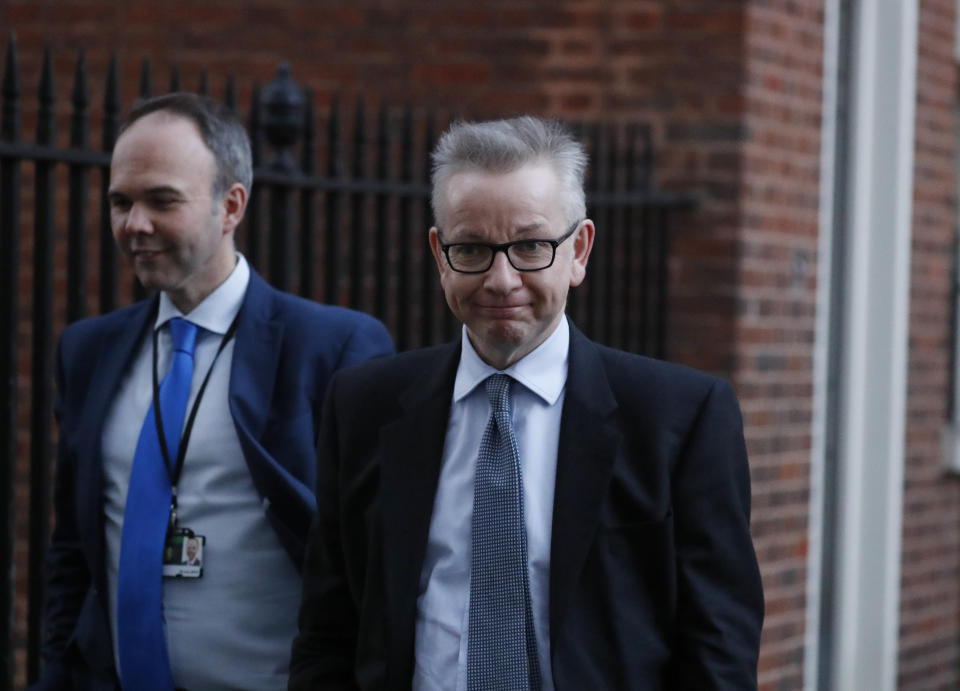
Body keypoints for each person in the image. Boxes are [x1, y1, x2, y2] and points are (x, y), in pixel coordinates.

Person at [290, 116, 764, 689]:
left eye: (531, 245)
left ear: (580, 250)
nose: (501, 279)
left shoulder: (680, 418)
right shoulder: (364, 407)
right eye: (472, 248)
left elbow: (719, 645)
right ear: (440, 254)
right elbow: (328, 631)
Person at [37, 92, 394, 691]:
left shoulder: (333, 349)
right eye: (120, 202)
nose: (134, 225)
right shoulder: (87, 351)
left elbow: (376, 560)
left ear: (230, 206)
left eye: (161, 200)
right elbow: (73, 548)